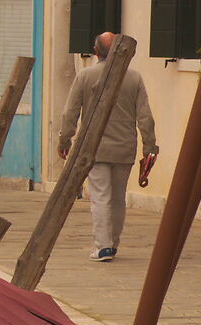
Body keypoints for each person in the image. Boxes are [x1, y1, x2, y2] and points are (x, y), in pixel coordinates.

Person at [54, 31, 158, 262]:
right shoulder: (134, 78)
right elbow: (145, 117)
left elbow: (70, 112)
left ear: (96, 51)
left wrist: (65, 140)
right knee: (118, 198)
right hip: (124, 147)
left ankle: (103, 246)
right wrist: (150, 146)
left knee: (100, 197)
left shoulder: (85, 76)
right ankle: (114, 242)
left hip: (95, 147)